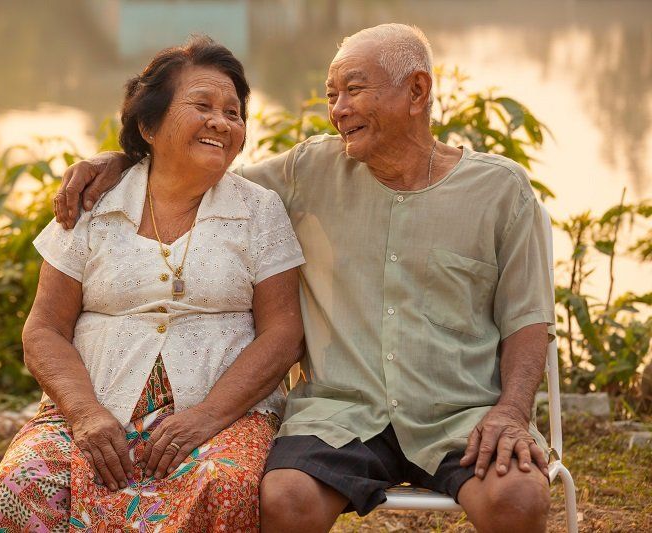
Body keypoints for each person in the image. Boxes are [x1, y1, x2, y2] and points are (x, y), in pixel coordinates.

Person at [56, 24, 555, 532]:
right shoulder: (309, 169)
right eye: (332, 95)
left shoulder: (500, 189)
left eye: (354, 90)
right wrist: (121, 159)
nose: (338, 109)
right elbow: (197, 169)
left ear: (417, 92)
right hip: (341, 417)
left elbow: (528, 321)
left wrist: (512, 410)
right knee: (286, 497)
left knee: (518, 497)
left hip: (461, 415)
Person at [0, 35, 305, 532]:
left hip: (224, 416)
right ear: (149, 124)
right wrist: (86, 414)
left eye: (234, 112)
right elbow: (43, 330)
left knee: (221, 484)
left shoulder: (260, 210)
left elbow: (283, 333)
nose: (222, 121)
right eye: (202, 105)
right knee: (24, 483)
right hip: (92, 411)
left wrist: (208, 416)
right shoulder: (92, 205)